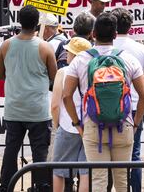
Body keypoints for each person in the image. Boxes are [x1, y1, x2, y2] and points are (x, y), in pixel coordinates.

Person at [62, 12, 144, 192]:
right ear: (115, 35)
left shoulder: (80, 60)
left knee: (98, 182)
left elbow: (66, 96)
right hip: (123, 125)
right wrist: (136, 123)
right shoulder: (129, 59)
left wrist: (77, 123)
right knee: (123, 182)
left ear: (93, 34)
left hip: (93, 126)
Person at [0, 5, 57, 192]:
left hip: (14, 108)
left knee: (11, 150)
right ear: (37, 23)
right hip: (38, 110)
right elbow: (54, 76)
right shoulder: (45, 47)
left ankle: (6, 185)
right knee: (40, 152)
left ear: (19, 22)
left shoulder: (6, 45)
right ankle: (42, 186)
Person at [112, 8, 144, 192]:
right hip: (133, 107)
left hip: (108, 107)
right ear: (131, 26)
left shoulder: (105, 46)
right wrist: (142, 103)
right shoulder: (140, 49)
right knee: (134, 154)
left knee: (106, 154)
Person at [49, 37, 92, 192]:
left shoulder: (63, 72)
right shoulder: (92, 71)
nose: (66, 54)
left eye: (68, 51)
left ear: (74, 54)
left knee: (59, 170)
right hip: (89, 126)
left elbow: (55, 105)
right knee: (86, 171)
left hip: (67, 126)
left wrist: (56, 125)